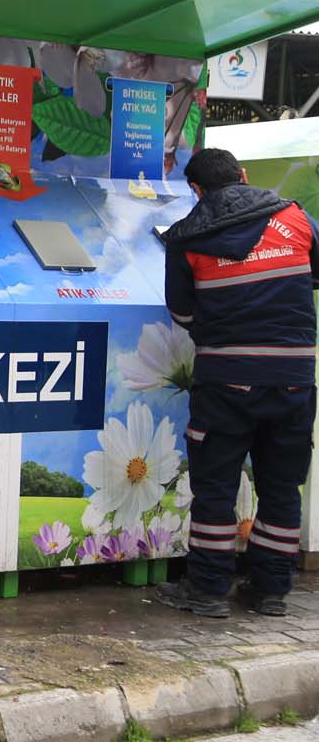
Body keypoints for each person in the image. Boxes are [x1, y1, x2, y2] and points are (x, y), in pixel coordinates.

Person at [155, 147, 318, 619]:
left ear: (196, 190)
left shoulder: (187, 238)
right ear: (243, 176)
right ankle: (270, 591)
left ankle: (207, 591)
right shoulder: (295, 218)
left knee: (216, 488)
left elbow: (183, 313)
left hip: (226, 381)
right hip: (293, 380)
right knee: (282, 487)